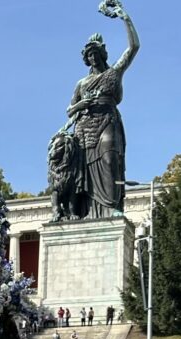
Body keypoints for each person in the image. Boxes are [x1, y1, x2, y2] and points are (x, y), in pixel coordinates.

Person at [66, 4, 140, 218]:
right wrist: (83, 104)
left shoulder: (114, 73)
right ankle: (85, 212)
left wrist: (124, 17)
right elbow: (70, 110)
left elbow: (134, 47)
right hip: (85, 128)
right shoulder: (81, 83)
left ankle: (113, 205)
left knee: (110, 160)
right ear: (86, 59)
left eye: (95, 53)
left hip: (107, 120)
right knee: (84, 172)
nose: (92, 58)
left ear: (102, 54)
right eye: (89, 55)